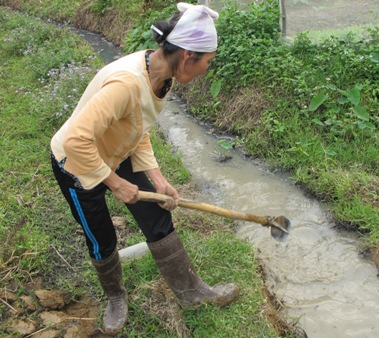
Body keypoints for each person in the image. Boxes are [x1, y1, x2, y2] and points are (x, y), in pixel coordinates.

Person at [50, 3, 238, 335]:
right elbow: (76, 141)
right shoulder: (126, 83)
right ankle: (116, 299)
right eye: (207, 61)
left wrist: (158, 180)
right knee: (102, 237)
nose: (207, 69)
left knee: (157, 215)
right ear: (187, 56)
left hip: (114, 150)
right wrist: (115, 183)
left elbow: (137, 127)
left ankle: (192, 292)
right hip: (76, 163)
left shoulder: (162, 77)